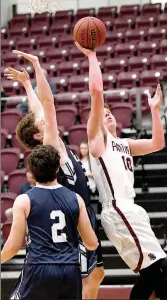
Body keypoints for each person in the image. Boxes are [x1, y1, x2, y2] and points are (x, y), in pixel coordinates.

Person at [74, 42, 167, 300]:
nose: (107, 115)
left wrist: (154, 111)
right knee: (158, 268)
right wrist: (92, 56)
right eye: (103, 114)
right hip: (118, 210)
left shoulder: (125, 144)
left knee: (156, 273)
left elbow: (157, 144)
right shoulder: (99, 141)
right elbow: (97, 92)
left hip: (132, 209)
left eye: (110, 113)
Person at [5, 51, 104, 300]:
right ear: (39, 135)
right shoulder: (49, 143)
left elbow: (38, 108)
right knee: (87, 279)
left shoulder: (52, 140)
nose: (45, 120)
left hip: (80, 210)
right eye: (41, 122)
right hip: (72, 216)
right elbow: (47, 104)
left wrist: (27, 84)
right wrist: (38, 67)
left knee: (97, 274)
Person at [1, 144, 98, 300]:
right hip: (70, 269)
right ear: (57, 169)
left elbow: (13, 246)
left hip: (38, 267)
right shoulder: (76, 199)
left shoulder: (24, 200)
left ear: (31, 172)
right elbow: (92, 243)